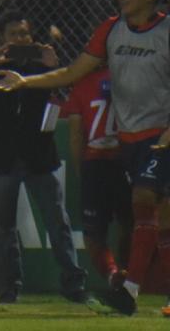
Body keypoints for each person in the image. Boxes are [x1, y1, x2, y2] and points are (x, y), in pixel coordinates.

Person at [0, 0, 170, 316]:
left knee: (144, 199)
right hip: (129, 139)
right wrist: (25, 82)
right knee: (161, 219)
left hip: (160, 133)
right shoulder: (110, 29)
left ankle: (130, 289)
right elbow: (74, 72)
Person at [0, 11, 88, 304]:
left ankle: (73, 281)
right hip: (2, 156)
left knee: (57, 220)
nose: (20, 39)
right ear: (3, 39)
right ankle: (10, 285)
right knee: (4, 227)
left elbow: (70, 82)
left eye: (24, 34)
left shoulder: (40, 70)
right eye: (13, 34)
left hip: (38, 155)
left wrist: (52, 66)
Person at [65, 67, 132, 289]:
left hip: (95, 165)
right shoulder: (133, 78)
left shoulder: (82, 84)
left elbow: (76, 135)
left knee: (93, 234)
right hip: (127, 160)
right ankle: (129, 275)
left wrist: (80, 170)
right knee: (132, 224)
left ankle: (113, 275)